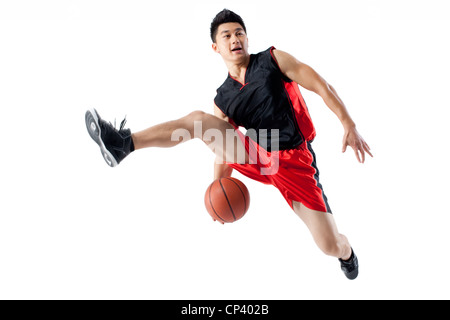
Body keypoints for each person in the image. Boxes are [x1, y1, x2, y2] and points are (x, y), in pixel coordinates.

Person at [85, 9, 372, 280]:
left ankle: (346, 254)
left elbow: (321, 85)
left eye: (240, 33)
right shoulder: (223, 97)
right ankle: (123, 143)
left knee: (328, 244)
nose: (235, 39)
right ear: (216, 47)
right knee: (199, 120)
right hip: (261, 149)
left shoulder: (273, 61)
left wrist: (348, 124)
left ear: (247, 38)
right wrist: (217, 188)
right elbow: (223, 149)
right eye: (227, 35)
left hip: (294, 160)